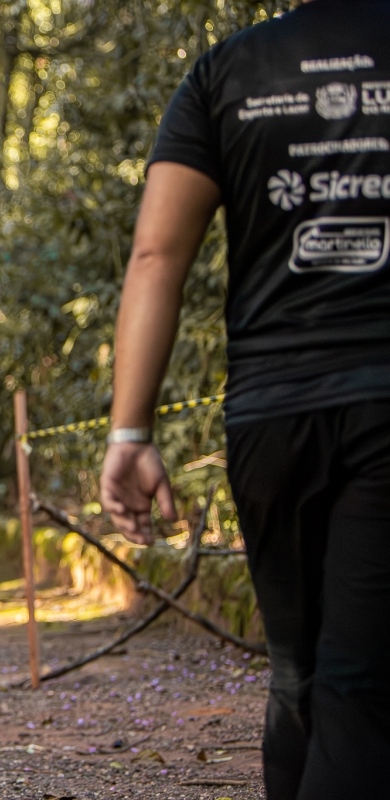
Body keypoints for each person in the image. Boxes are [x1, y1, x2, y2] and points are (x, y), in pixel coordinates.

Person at [98, 2, 390, 798]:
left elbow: (157, 256)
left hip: (269, 415)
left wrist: (129, 433)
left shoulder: (228, 71)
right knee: (360, 688)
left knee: (296, 673)